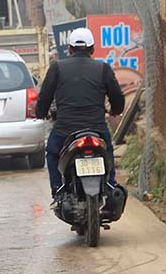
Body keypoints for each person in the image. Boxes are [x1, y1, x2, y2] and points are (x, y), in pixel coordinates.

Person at [35, 28, 125, 200]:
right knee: (108, 151)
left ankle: (58, 190)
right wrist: (115, 110)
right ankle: (110, 186)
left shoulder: (57, 68)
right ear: (92, 49)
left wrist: (41, 113)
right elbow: (118, 98)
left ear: (69, 49)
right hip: (97, 130)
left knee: (52, 153)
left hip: (65, 131)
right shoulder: (103, 68)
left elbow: (44, 97)